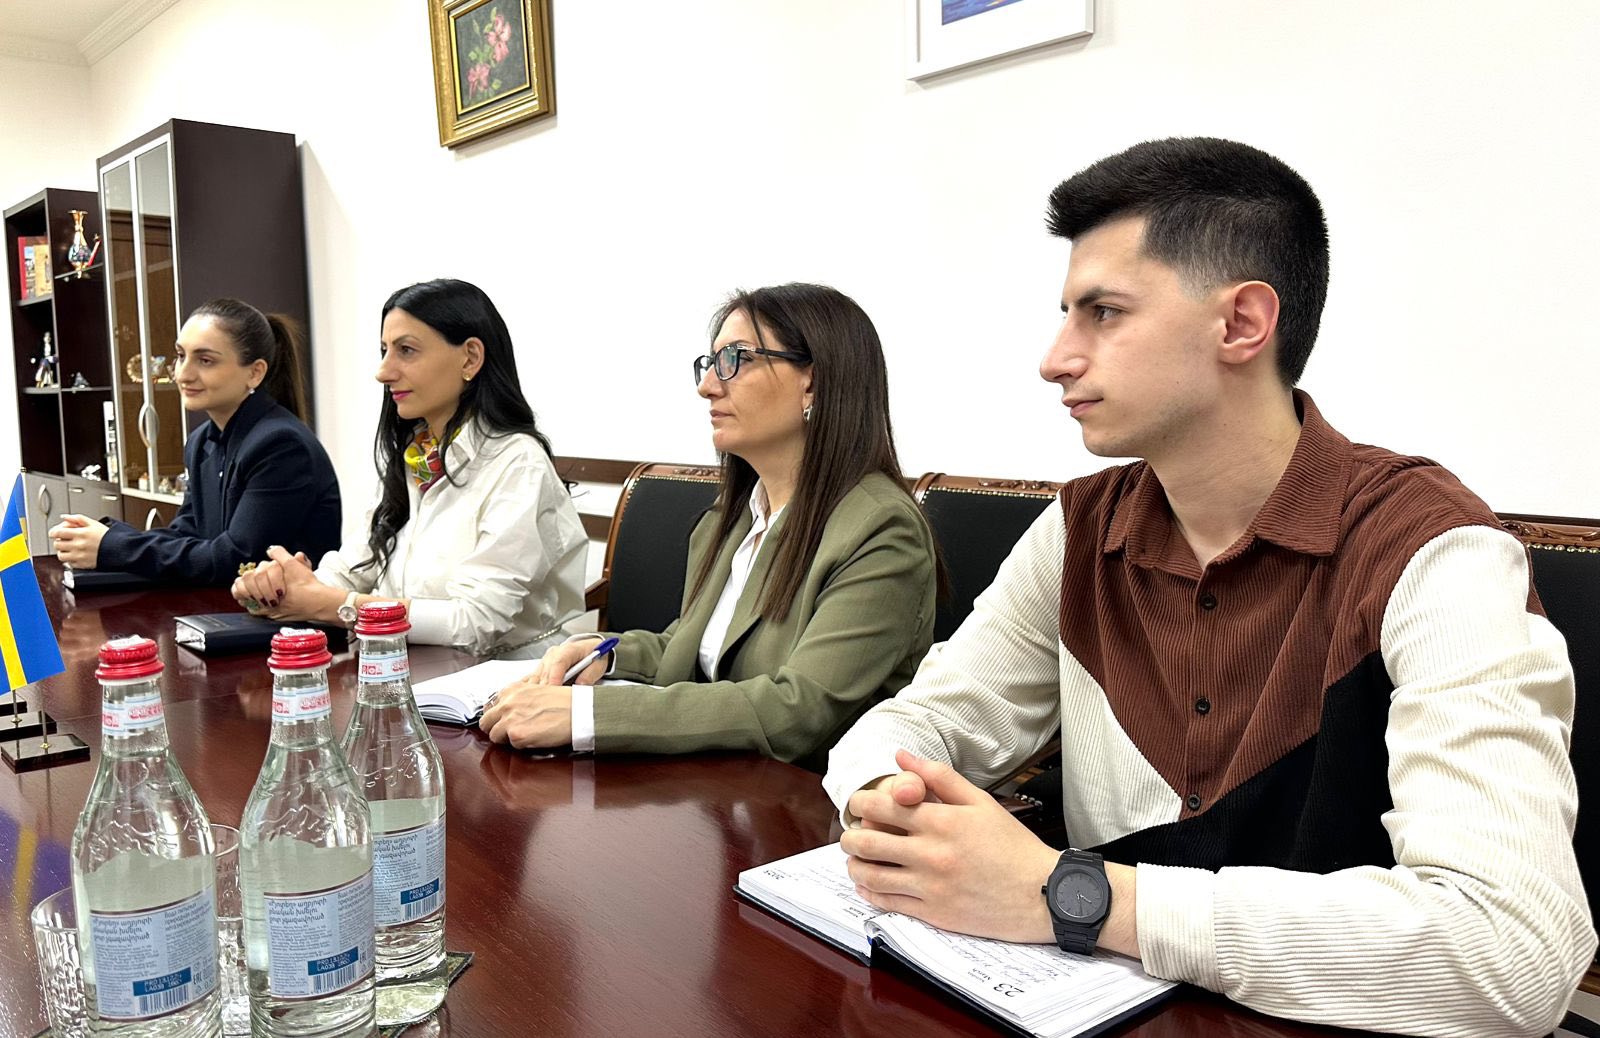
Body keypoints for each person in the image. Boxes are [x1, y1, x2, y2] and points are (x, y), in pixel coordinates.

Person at [824, 138, 1595, 1037]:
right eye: (1067, 314)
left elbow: (1512, 951)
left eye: (1103, 312)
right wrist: (885, 800)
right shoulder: (1080, 529)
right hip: (1109, 1012)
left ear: (1241, 324)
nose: (1055, 358)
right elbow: (916, 723)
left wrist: (1070, 895)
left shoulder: (1432, 549)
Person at [479, 283, 939, 772]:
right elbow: (694, 647)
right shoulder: (733, 515)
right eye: (712, 363)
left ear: (813, 383)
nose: (709, 387)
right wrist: (607, 654)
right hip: (718, 784)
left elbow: (798, 711)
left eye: (737, 359)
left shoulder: (881, 529)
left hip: (808, 798)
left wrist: (588, 714)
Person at [230, 279, 586, 657]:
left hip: (504, 677)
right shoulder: (417, 456)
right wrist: (282, 586)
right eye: (385, 351)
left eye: (406, 350)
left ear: (470, 358)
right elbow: (352, 568)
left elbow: (475, 623)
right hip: (412, 666)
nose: (383, 372)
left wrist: (332, 604)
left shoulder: (518, 463)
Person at [48, 299, 340, 585]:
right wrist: (107, 537)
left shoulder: (281, 446)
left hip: (285, 616)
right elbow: (187, 534)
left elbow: (237, 560)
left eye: (205, 360)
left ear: (255, 373)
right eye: (180, 356)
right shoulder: (201, 441)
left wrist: (114, 545)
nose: (183, 374)